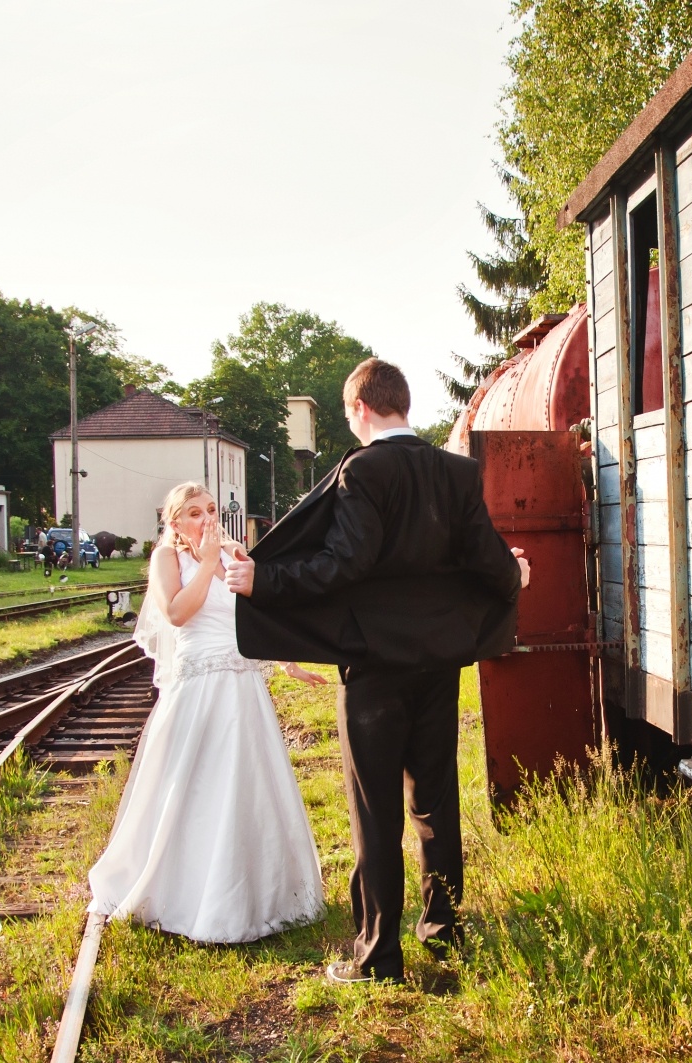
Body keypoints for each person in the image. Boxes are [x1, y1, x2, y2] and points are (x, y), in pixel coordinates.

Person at [226, 357, 529, 985]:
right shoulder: (457, 472)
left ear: (360, 408)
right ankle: (445, 932)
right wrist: (516, 575)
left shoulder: (362, 471)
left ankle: (377, 958)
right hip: (438, 664)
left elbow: (343, 566)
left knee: (375, 812)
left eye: (347, 416)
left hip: (374, 668)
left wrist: (265, 580)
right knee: (437, 803)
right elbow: (488, 559)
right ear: (403, 403)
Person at [87, 483, 327, 943]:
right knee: (192, 785)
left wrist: (285, 659)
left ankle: (260, 897)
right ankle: (180, 893)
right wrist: (206, 562)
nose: (207, 519)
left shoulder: (235, 553)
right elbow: (177, 612)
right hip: (197, 689)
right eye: (194, 513)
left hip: (242, 687)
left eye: (211, 510)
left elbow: (255, 614)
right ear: (174, 523)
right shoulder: (166, 560)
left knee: (246, 785)